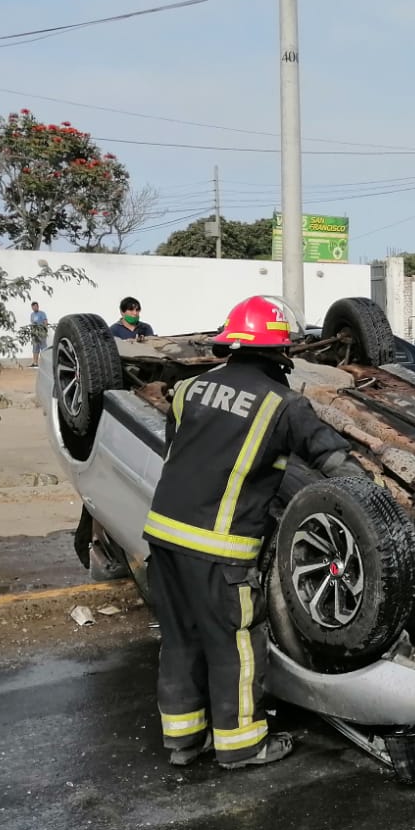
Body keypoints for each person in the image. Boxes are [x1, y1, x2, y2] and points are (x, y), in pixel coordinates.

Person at [144, 294, 365, 768]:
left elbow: (181, 454)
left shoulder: (187, 390)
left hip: (163, 537)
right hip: (219, 547)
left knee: (180, 639)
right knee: (235, 643)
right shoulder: (284, 405)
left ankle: (183, 742)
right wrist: (378, 506)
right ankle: (242, 745)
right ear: (281, 353)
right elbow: (336, 465)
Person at [28, 302, 49, 367]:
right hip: (35, 333)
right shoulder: (32, 314)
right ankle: (35, 363)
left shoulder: (42, 313)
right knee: (35, 348)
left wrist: (45, 330)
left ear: (38, 306)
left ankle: (45, 363)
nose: (35, 308)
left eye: (36, 306)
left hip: (41, 333)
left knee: (43, 348)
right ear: (32, 308)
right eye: (33, 307)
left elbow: (45, 322)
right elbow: (32, 323)